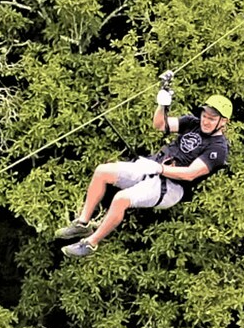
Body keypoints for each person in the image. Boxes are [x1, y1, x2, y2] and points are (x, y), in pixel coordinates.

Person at [56, 71, 232, 257]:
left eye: (212, 119)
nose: (205, 120)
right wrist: (162, 105)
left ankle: (90, 244)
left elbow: (190, 173)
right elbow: (159, 124)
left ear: (223, 122)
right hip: (154, 166)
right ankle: (82, 224)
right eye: (205, 115)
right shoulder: (192, 123)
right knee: (102, 171)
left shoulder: (218, 149)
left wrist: (160, 169)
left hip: (172, 187)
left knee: (121, 199)